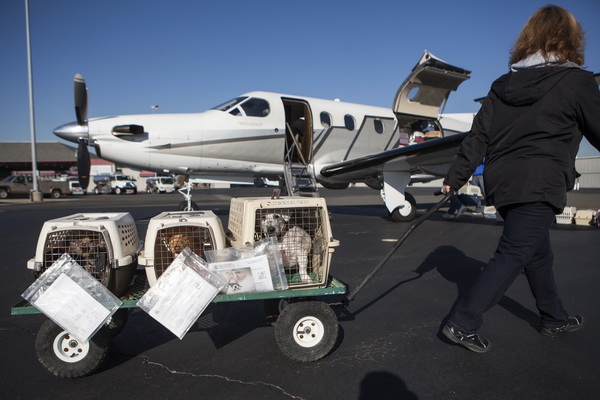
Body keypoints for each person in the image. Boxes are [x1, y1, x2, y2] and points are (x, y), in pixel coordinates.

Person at [440, 5, 600, 353]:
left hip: (503, 182)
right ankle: (462, 322)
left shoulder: (503, 84)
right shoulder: (577, 81)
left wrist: (455, 177)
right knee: (514, 252)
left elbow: (477, 136)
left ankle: (553, 317)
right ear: (571, 39)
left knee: (537, 253)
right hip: (540, 181)